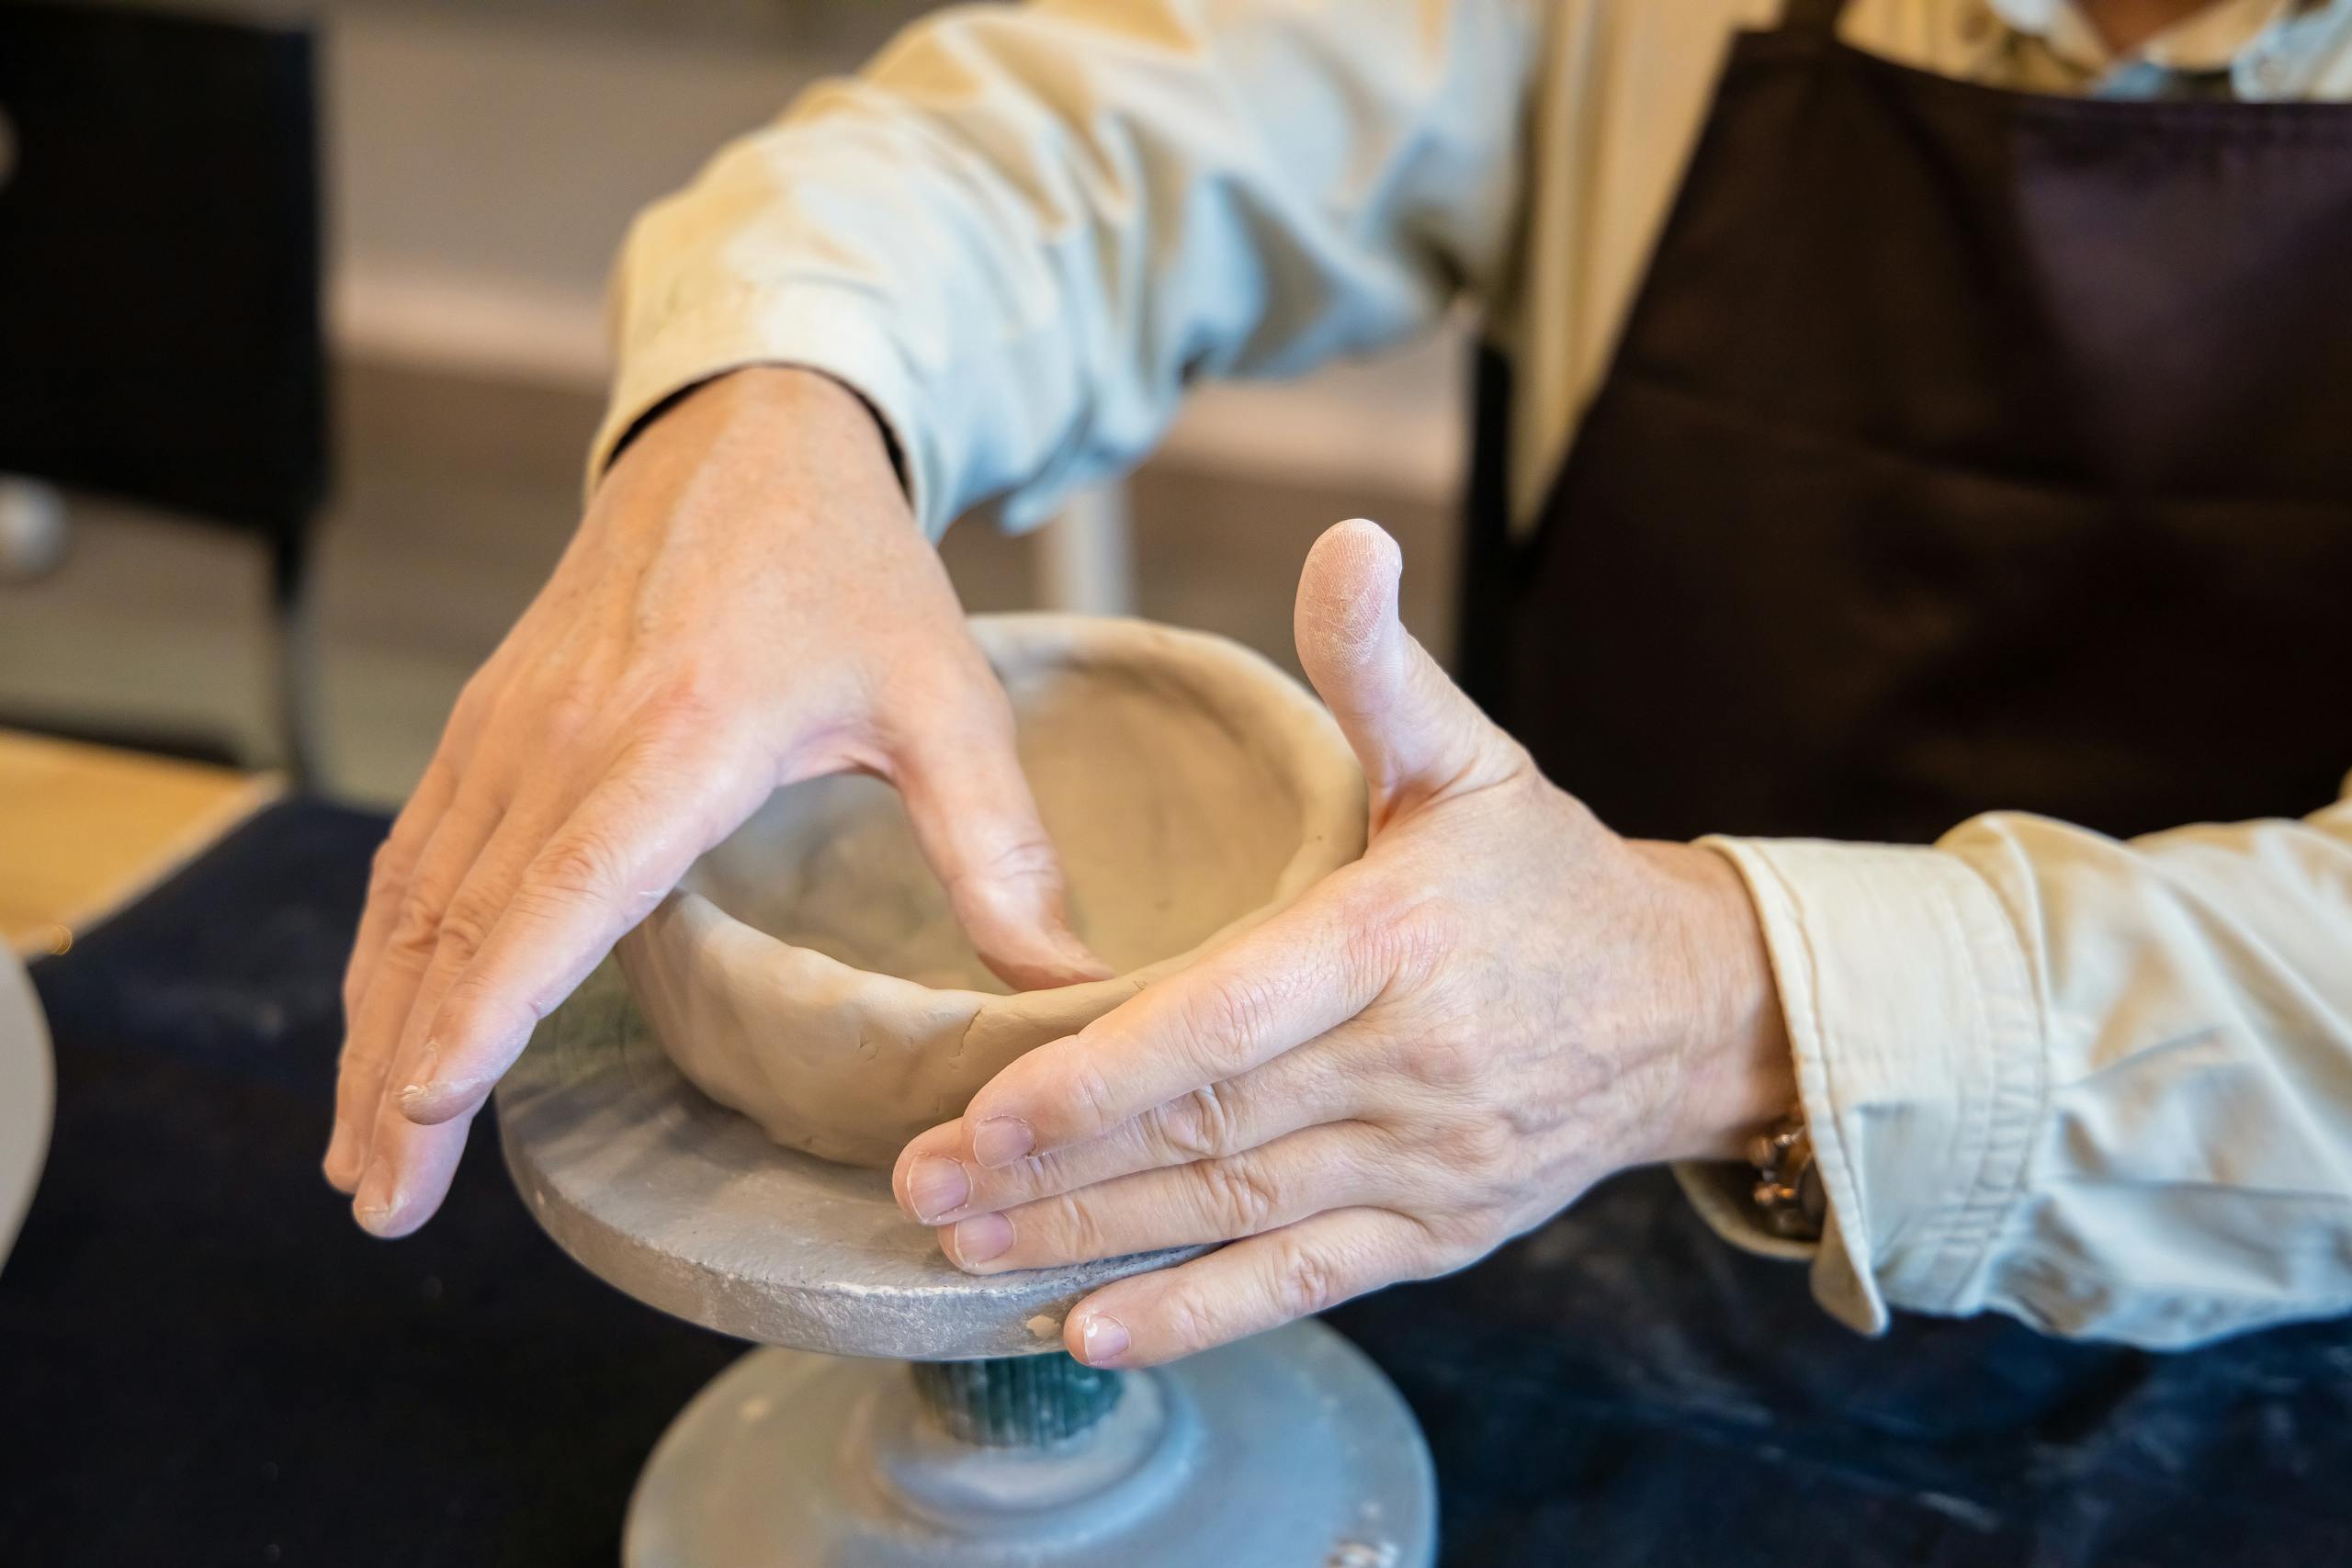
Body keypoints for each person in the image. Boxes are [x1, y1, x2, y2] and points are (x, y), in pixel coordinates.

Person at [324, 0, 2352, 1370]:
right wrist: (768, 402)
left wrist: (1716, 996)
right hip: (1486, 1193)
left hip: (2237, 1290)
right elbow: (1091, 119)